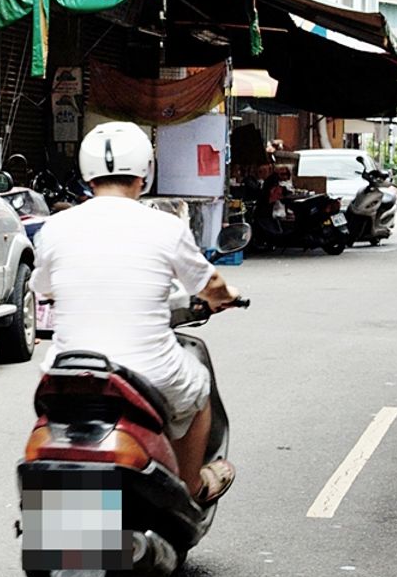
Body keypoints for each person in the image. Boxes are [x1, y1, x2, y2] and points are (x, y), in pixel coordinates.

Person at [30, 121, 240, 503]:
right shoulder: (165, 226)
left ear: (86, 175)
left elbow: (42, 287)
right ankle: (192, 484)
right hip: (149, 371)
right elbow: (208, 285)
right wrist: (226, 296)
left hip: (68, 371)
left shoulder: (55, 227)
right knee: (199, 387)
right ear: (145, 171)